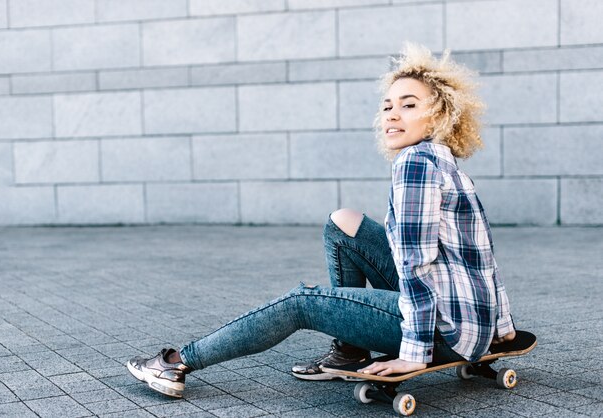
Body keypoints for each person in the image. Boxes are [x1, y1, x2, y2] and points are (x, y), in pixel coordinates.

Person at [126, 43, 516, 398]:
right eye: (387, 106)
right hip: (468, 322)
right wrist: (502, 325)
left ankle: (176, 363)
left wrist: (414, 354)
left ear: (440, 115)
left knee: (301, 302)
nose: (393, 114)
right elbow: (482, 257)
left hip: (441, 331)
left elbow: (416, 264)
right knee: (342, 223)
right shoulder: (443, 161)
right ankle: (349, 352)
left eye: (409, 105)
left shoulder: (415, 165)